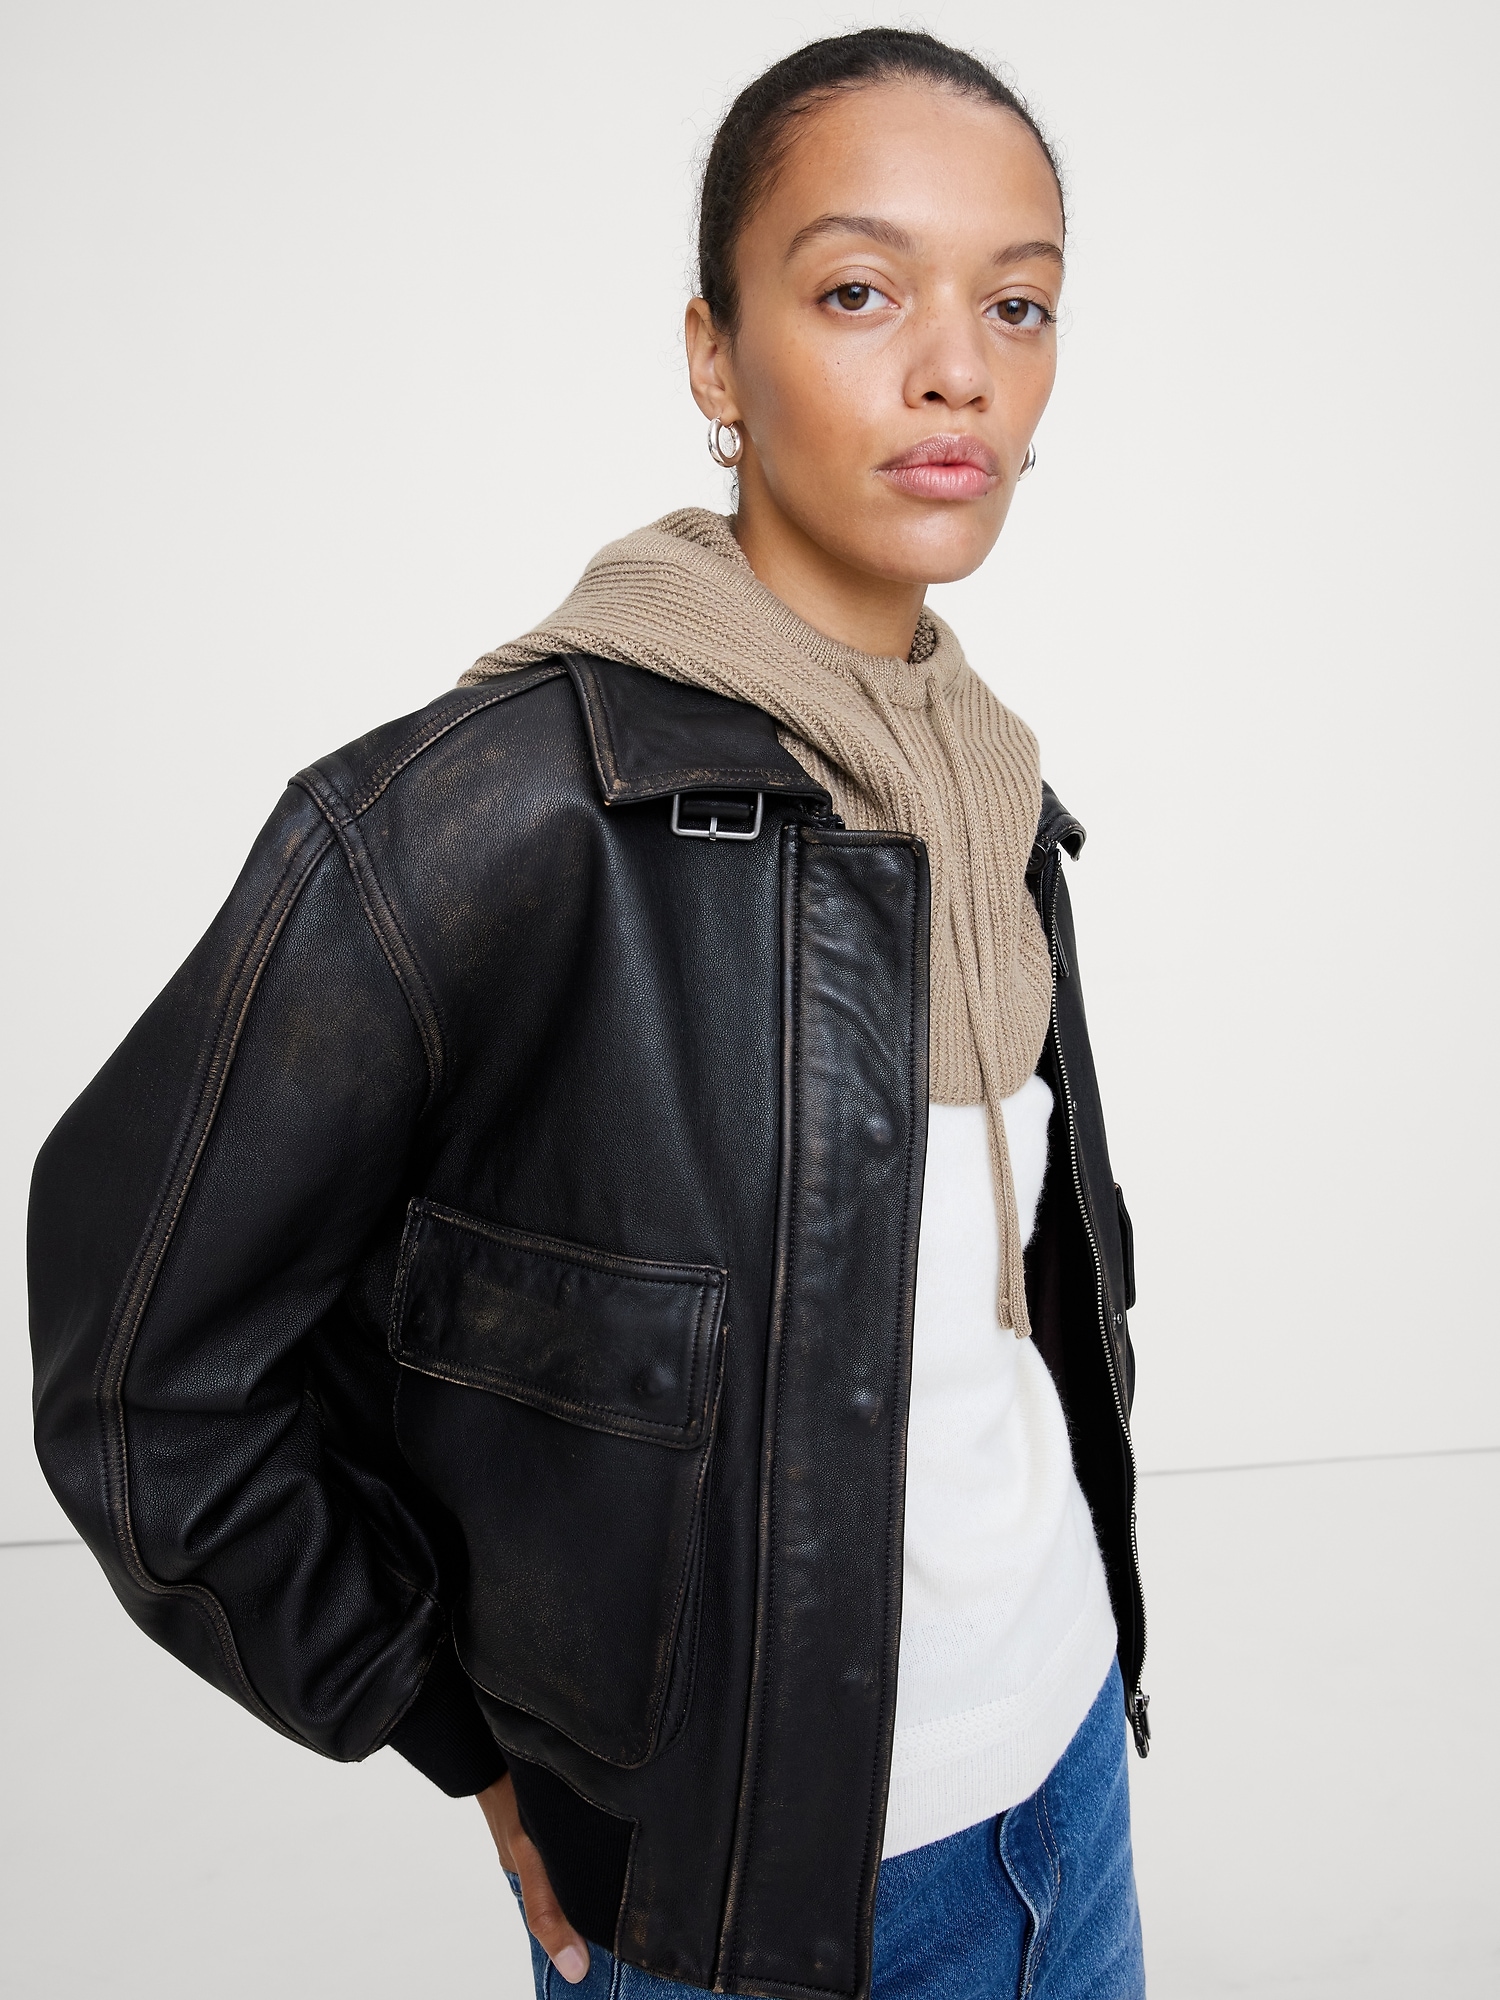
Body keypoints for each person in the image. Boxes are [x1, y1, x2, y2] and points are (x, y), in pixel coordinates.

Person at [29, 27, 1147, 2000]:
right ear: (716, 355)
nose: (958, 367)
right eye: (860, 290)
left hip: (1067, 1779)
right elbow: (143, 1363)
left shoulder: (990, 788)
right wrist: (442, 1721)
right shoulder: (488, 814)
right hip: (735, 1908)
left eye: (1019, 301)